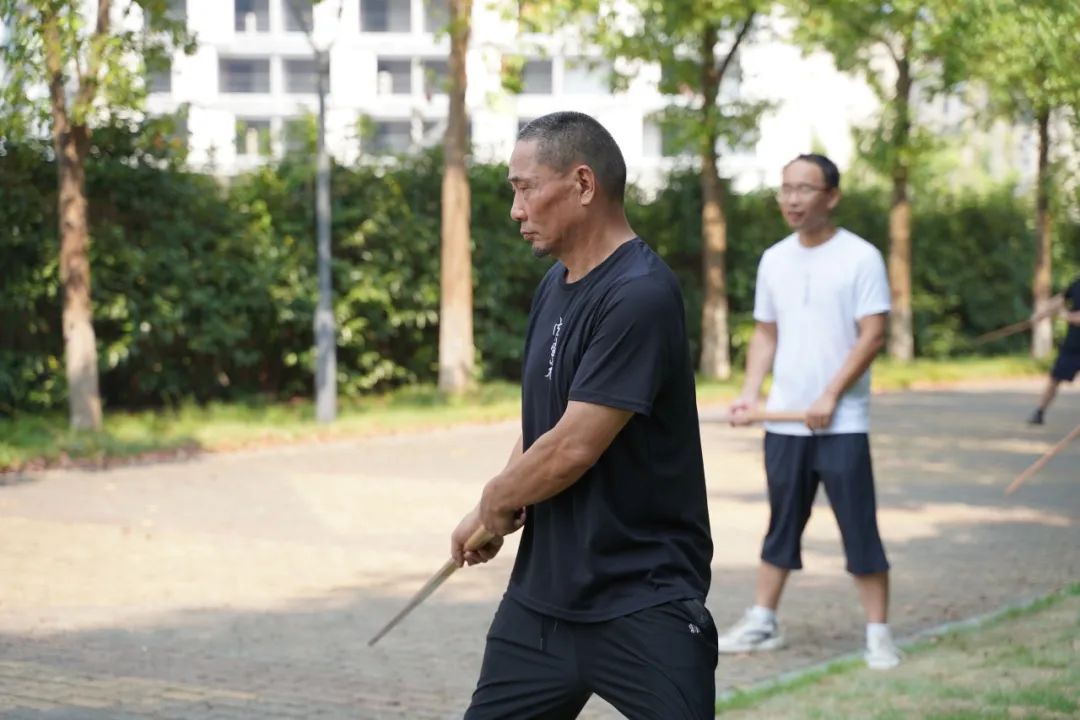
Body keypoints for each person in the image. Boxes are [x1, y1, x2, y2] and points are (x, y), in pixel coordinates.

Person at [450, 111, 716, 719]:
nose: (515, 209)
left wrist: (498, 498)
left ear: (583, 184)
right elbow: (544, 427)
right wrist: (491, 508)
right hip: (543, 601)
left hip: (643, 598)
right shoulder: (555, 285)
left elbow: (573, 447)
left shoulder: (640, 294)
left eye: (525, 188)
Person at [718, 153, 901, 670]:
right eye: (785, 188)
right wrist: (751, 393)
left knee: (858, 526)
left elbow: (873, 335)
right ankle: (763, 620)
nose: (792, 199)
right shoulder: (774, 259)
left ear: (832, 196)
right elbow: (766, 333)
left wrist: (831, 396)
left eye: (804, 188)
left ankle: (878, 634)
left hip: (842, 423)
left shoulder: (861, 257)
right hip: (784, 420)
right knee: (782, 523)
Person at [1027, 275, 1080, 425]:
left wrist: (1066, 315)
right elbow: (1061, 299)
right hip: (1073, 344)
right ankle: (1039, 412)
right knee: (1055, 377)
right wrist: (1041, 314)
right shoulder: (1077, 283)